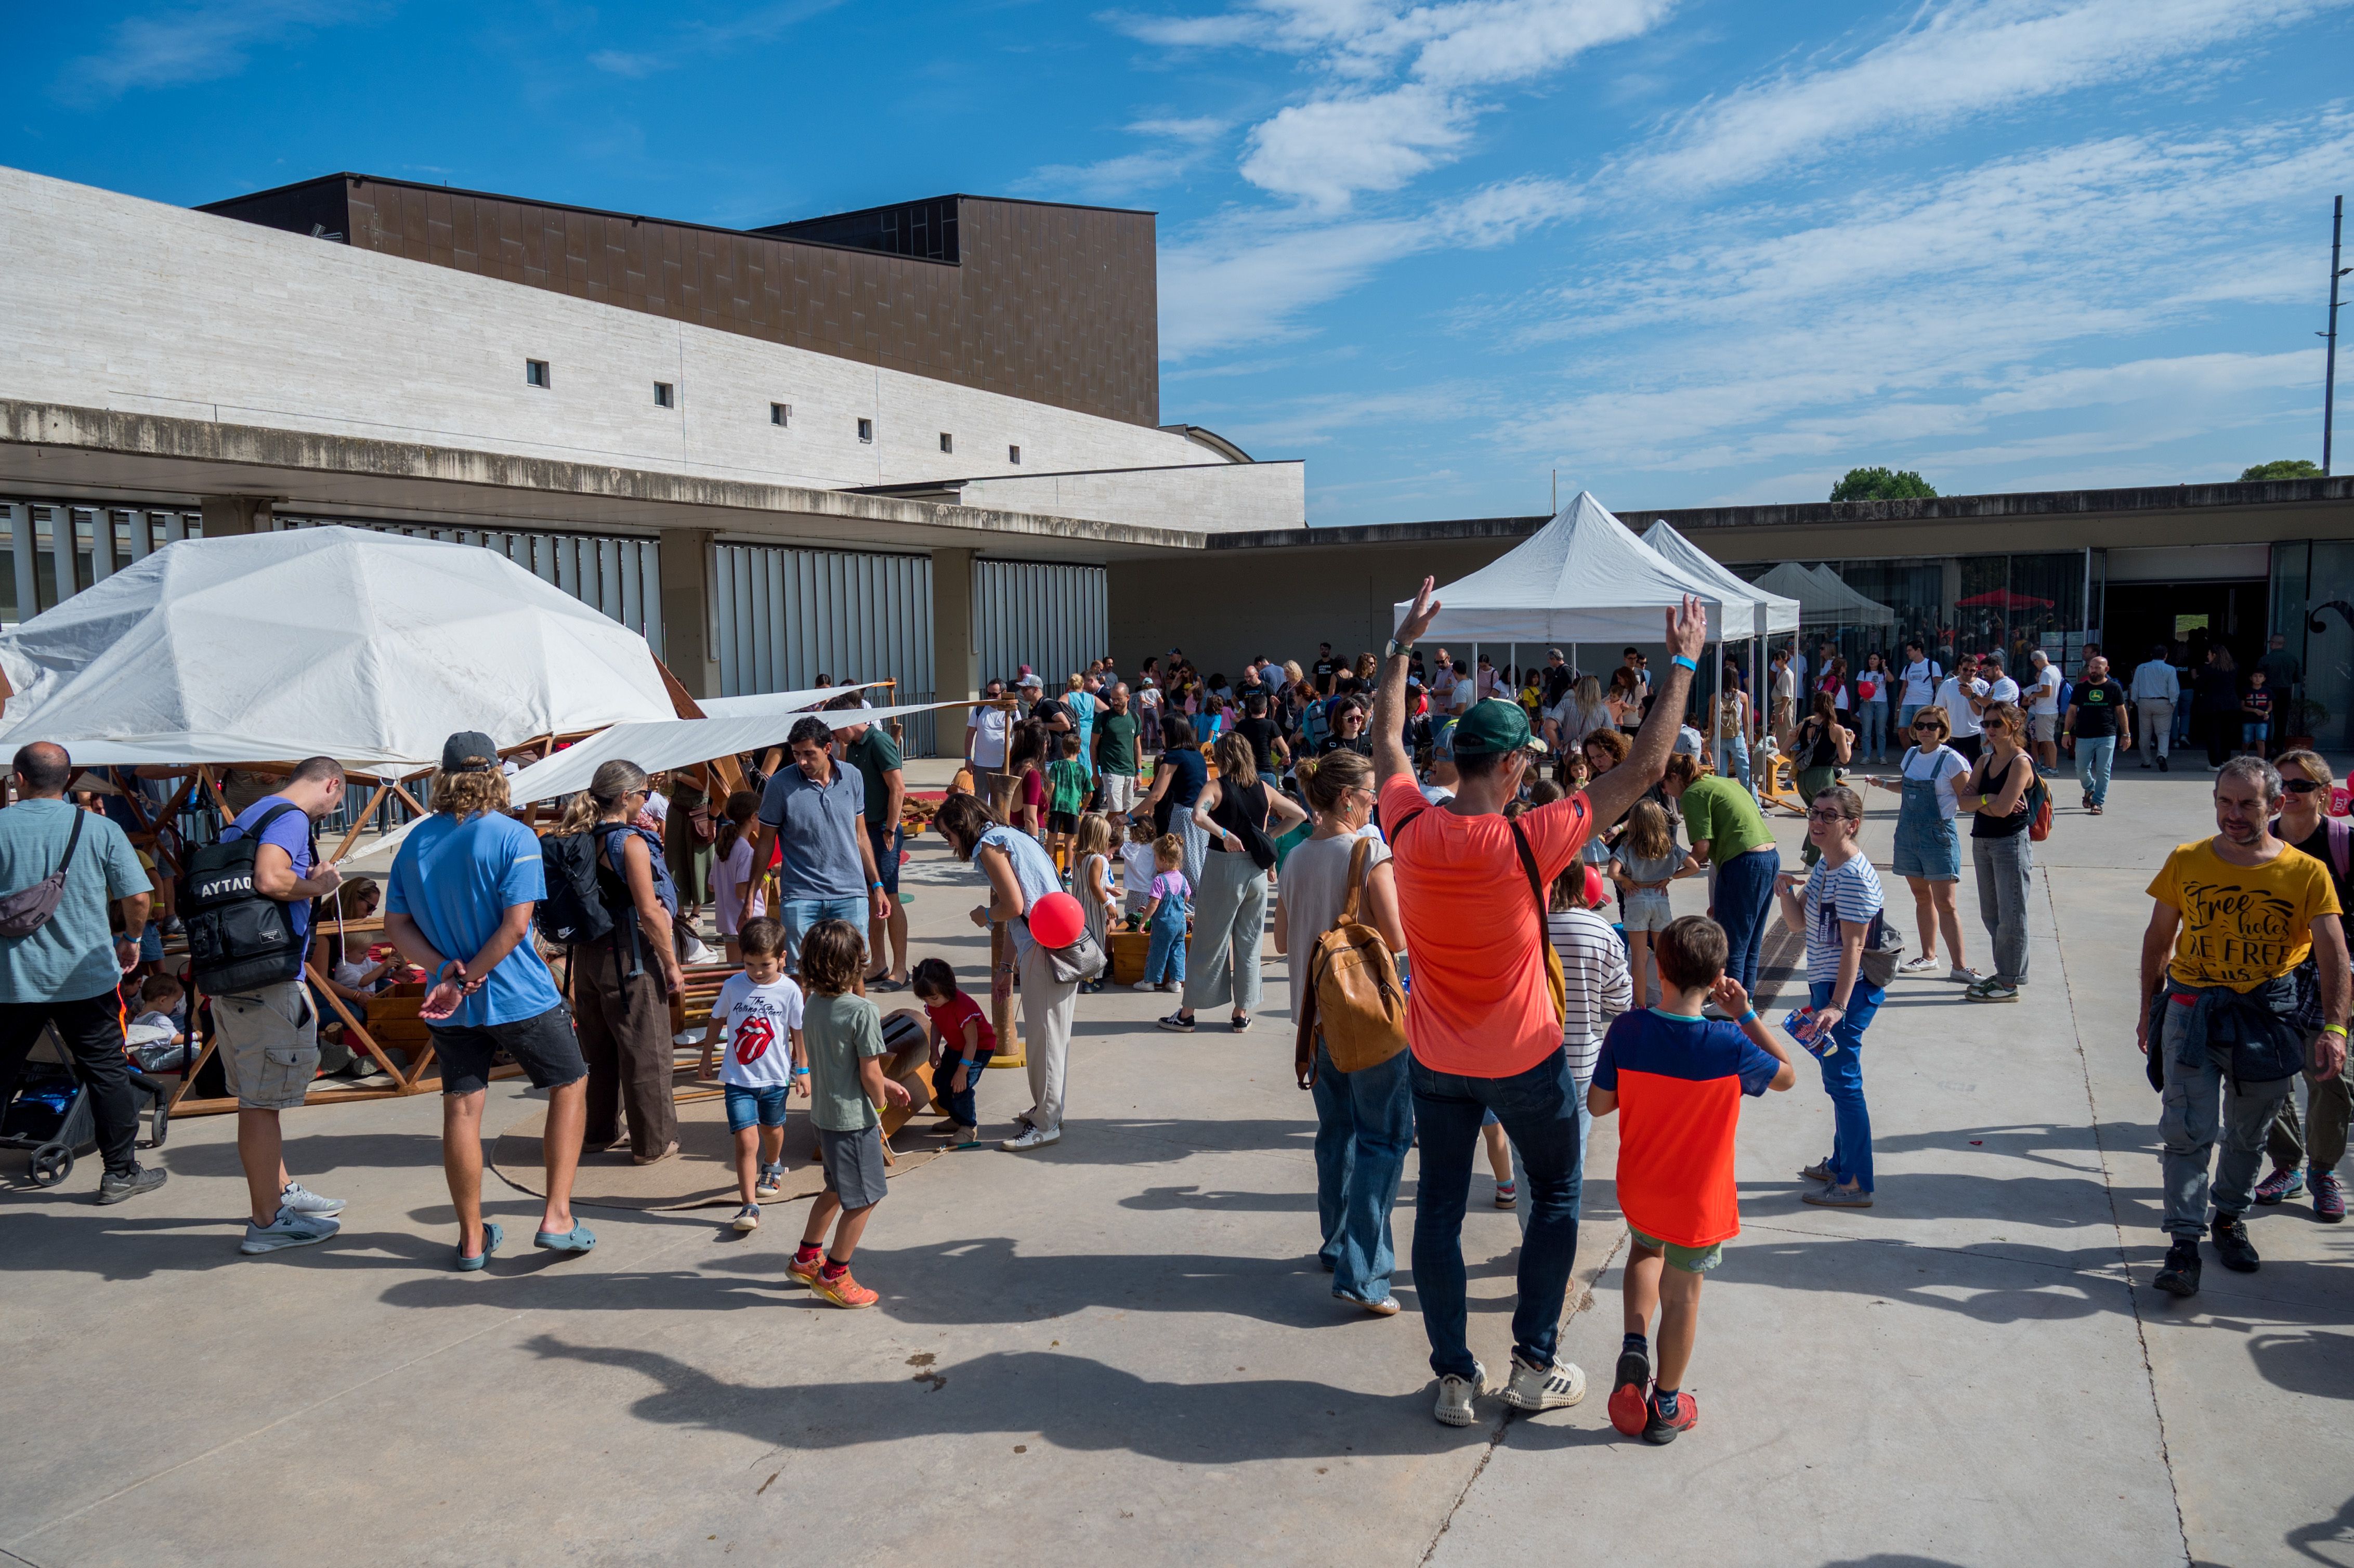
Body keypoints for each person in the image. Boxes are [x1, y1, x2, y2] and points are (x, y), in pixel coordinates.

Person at [1377, 573, 1709, 1427]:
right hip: (1523, 1056)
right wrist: (1681, 662)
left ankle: (1452, 1376)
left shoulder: (1407, 822)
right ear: (1517, 764)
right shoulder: (1529, 838)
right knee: (1555, 1196)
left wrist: (1402, 647)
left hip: (1435, 1059)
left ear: (1457, 758)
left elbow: (1384, 744)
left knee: (1439, 1211)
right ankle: (1531, 1362)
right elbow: (1641, 768)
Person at [2139, 757, 2347, 1297]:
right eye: (2224, 801)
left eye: (2247, 804)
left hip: (2267, 1015)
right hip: (2192, 1009)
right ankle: (2183, 1243)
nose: (2233, 814)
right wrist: (2147, 1009)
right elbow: (2158, 940)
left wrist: (2335, 1029)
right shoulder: (2186, 860)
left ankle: (2228, 1218)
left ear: (2276, 805)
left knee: (2248, 1133)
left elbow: (2332, 954)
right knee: (2186, 1131)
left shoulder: (2306, 872)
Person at [385, 732, 594, 1269]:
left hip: (451, 999)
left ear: (444, 776)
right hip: (515, 991)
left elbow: (397, 926)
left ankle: (473, 1237)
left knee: (462, 1107)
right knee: (570, 1084)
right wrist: (469, 976)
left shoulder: (414, 842)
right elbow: (516, 925)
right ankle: (557, 1216)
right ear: (499, 773)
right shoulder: (513, 837)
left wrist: (443, 971)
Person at [1591, 915, 1797, 1444]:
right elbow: (1786, 1076)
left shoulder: (1629, 1030)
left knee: (1643, 1253)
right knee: (1682, 1295)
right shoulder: (1727, 1044)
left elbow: (1597, 1105)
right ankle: (1666, 1404)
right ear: (1718, 977)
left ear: (1658, 966)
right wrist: (1745, 1012)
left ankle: (1634, 1343)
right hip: (1697, 1203)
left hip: (1641, 1186)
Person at [185, 757, 352, 1249]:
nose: (332, 809)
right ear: (332, 784)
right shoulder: (292, 818)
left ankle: (279, 1192)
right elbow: (271, 880)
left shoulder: (252, 813)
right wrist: (319, 885)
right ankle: (266, 1222)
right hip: (267, 983)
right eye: (337, 800)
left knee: (257, 1099)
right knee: (262, 1104)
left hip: (235, 978)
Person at [1274, 750, 1412, 1315]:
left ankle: (1337, 1244)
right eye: (1371, 792)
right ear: (1347, 798)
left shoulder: (1296, 857)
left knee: (1338, 1135)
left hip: (1316, 1018)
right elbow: (1398, 941)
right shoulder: (1369, 851)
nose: (1376, 801)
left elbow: (1283, 941)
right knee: (1383, 1138)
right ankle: (1366, 1272)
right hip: (1369, 1019)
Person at [0, 742, 166, 1205]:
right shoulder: (99, 828)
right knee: (107, 1071)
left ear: (19, 778)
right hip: (86, 977)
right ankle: (120, 1173)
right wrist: (131, 939)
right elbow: (139, 898)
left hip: (10, 979)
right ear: (69, 780)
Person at [933, 792, 1080, 1152]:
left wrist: (985, 916)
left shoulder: (990, 845)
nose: (948, 842)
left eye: (946, 835)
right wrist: (1006, 968)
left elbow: (1012, 906)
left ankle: (1046, 1123)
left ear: (961, 825)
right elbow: (1022, 910)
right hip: (1054, 943)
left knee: (1045, 1039)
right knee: (1051, 1037)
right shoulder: (1012, 835)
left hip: (1045, 950)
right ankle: (1047, 1110)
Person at [560, 760, 685, 1165]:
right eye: (645, 794)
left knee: (598, 1050)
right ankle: (653, 1143)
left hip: (589, 956)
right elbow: (649, 912)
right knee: (647, 1049)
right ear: (625, 797)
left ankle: (598, 1133)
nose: (648, 801)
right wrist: (671, 963)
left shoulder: (580, 835)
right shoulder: (628, 843)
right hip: (629, 954)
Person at [2250, 750, 2352, 1223]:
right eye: (2281, 785)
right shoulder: (2253, 842)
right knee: (2266, 1076)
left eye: (2301, 786)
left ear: (2325, 795)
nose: (2288, 794)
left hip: (2328, 975)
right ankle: (2287, 1165)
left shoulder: (2342, 843)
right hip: (2268, 975)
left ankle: (2324, 1172)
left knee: (2332, 1079)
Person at [787, 919, 910, 1309]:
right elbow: (870, 1073)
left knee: (838, 1189)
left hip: (824, 1117)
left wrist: (879, 1085)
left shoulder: (813, 1007)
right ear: (855, 965)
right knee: (865, 1198)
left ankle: (807, 1258)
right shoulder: (862, 1011)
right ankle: (834, 1274)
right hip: (854, 1123)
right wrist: (882, 1100)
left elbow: (840, 1062)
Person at [1775, 784, 1887, 1208]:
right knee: (1838, 1083)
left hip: (1849, 992)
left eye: (1829, 816)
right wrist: (1785, 891)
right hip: (1829, 987)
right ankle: (1843, 1163)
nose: (1817, 822)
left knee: (1844, 1084)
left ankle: (1855, 1183)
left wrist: (1837, 1007)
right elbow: (1799, 925)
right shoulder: (1826, 866)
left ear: (1851, 825)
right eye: (1814, 813)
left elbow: (1854, 949)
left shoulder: (1854, 876)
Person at [1161, 732, 1306, 1034]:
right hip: (1255, 871)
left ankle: (1188, 1014)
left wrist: (1224, 834)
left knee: (1209, 941)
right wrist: (1269, 838)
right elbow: (1299, 814)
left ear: (1222, 757)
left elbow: (1197, 816)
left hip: (1223, 869)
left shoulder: (1216, 786)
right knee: (1250, 942)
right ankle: (1241, 1013)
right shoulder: (1264, 789)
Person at [742, 715, 892, 976]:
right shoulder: (779, 785)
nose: (802, 762)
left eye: (809, 754)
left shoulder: (853, 777)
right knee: (800, 975)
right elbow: (765, 842)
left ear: (828, 748)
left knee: (853, 972)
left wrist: (877, 885)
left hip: (850, 895)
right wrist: (750, 896)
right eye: (796, 753)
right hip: (801, 897)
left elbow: (861, 836)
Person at [1867, 705, 1976, 983]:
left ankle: (1960, 966)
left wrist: (2000, 801)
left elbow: (1968, 800)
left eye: (1932, 726)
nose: (1926, 731)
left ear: (1943, 730)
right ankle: (1929, 957)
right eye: (1920, 726)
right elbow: (1906, 786)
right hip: (1908, 835)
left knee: (1946, 904)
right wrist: (1881, 783)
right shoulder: (1912, 755)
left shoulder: (1952, 760)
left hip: (1938, 838)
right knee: (1921, 897)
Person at [712, 916, 807, 1233]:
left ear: (782, 958)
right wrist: (704, 1057)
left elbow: (798, 1031)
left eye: (765, 965)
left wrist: (803, 1069)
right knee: (745, 1140)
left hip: (776, 1079)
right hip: (738, 1079)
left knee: (773, 1130)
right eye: (749, 964)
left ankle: (773, 1165)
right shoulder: (733, 986)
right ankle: (748, 1205)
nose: (756, 971)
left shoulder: (790, 990)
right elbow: (717, 1019)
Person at [1661, 752, 1781, 997]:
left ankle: (1728, 1001)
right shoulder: (1721, 782)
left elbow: (1702, 849)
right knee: (1751, 938)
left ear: (1674, 777)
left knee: (1731, 941)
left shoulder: (1693, 794)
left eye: (1663, 784)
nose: (1664, 791)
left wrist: (1669, 871)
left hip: (1743, 862)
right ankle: (1744, 999)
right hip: (1769, 857)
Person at [1960, 703, 2036, 1003]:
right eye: (1986, 723)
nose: (1990, 729)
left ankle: (2010, 982)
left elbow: (2005, 811)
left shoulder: (2020, 763)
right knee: (1991, 913)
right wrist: (1989, 797)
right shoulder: (1983, 761)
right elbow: (1962, 803)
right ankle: (2004, 972)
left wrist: (1982, 801)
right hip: (1983, 841)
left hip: (2010, 844)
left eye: (1997, 723)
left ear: (2014, 725)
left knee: (2012, 915)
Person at [838, 706, 909, 991]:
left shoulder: (879, 742)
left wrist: (891, 828)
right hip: (864, 830)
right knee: (873, 899)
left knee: (889, 896)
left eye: (834, 728)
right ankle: (878, 963)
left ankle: (900, 969)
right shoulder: (852, 746)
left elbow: (898, 788)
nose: (833, 736)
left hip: (882, 830)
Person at [1610, 798, 1688, 1009]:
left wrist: (1625, 880)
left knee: (1639, 958)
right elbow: (1694, 867)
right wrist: (1670, 877)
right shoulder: (1668, 844)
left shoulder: (1628, 846)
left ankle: (1640, 1005)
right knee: (1663, 957)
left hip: (1636, 899)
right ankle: (1668, 1002)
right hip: (1660, 897)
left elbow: (1612, 872)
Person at [913, 956, 995, 1146]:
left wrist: (962, 1071)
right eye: (925, 999)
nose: (930, 1003)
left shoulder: (963, 1007)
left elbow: (972, 1042)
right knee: (941, 1082)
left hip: (977, 1050)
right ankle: (957, 1118)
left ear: (947, 988)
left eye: (934, 998)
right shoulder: (936, 1004)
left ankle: (968, 1125)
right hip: (957, 1047)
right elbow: (936, 1024)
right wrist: (934, 1050)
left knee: (961, 1086)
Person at [2063, 655, 2131, 816]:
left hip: (2107, 734)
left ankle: (2098, 802)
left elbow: (2121, 712)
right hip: (2084, 735)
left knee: (2104, 770)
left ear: (2106, 669)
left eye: (2097, 668)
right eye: (2091, 667)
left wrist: (2126, 734)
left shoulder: (2114, 688)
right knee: (2081, 769)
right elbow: (2072, 711)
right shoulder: (2080, 688)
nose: (2093, 671)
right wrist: (2066, 732)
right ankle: (2090, 788)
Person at [709, 790, 765, 964]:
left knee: (734, 972)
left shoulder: (724, 847)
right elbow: (742, 892)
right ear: (753, 817)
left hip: (728, 922)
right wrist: (769, 875)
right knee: (753, 972)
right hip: (747, 923)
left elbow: (711, 886)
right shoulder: (745, 851)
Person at [1135, 834, 1191, 992]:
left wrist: (1143, 921)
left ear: (1164, 860)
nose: (1155, 862)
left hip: (1164, 924)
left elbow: (1154, 903)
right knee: (1178, 951)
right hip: (1180, 924)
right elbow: (1186, 897)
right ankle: (1176, 982)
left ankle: (1150, 981)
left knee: (1157, 951)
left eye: (1156, 858)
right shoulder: (1183, 879)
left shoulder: (1160, 881)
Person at [1072, 812, 1120, 996]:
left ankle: (1084, 977)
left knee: (1083, 944)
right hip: (1093, 910)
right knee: (1096, 943)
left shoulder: (1078, 856)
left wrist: (1107, 888)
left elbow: (1089, 881)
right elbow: (1093, 885)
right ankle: (1091, 981)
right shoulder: (1097, 860)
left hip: (1079, 908)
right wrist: (1108, 903)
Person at [966, 679, 1014, 818]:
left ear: (1004, 693)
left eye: (994, 694)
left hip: (1003, 765)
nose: (991, 698)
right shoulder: (980, 709)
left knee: (1000, 801)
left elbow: (1019, 735)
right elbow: (969, 734)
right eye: (988, 694)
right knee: (980, 800)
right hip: (982, 764)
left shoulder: (1012, 711)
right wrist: (968, 758)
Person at [1094, 683, 1142, 818]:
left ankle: (1117, 839)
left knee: (1124, 812)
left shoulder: (1134, 718)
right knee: (1115, 810)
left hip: (1129, 771)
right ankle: (1100, 836)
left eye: (1118, 699)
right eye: (1112, 699)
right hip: (1111, 771)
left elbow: (1137, 746)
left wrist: (1139, 772)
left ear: (1127, 698)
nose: (1114, 702)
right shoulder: (1103, 718)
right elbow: (1093, 746)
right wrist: (1095, 773)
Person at [1044, 733, 1090, 869]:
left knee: (1052, 838)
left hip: (1057, 806)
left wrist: (1047, 806)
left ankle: (1050, 868)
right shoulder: (1083, 770)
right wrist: (1083, 809)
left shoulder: (1056, 765)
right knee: (1070, 840)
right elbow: (1090, 794)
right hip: (1073, 808)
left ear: (1063, 750)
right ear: (1080, 751)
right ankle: (1067, 870)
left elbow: (1051, 787)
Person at [1932, 653, 1987, 763]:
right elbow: (1939, 710)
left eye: (1972, 671)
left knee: (1976, 767)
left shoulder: (1983, 686)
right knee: (1950, 767)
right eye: (1965, 669)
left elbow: (1979, 713)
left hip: (1975, 733)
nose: (1968, 673)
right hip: (1952, 734)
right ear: (1959, 668)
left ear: (1976, 671)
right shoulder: (1948, 684)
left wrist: (1970, 696)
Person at [2193, 644, 2240, 770]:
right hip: (2231, 705)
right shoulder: (2234, 668)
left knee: (2213, 735)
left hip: (2212, 706)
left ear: (2214, 655)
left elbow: (2199, 686)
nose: (2208, 656)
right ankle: (2225, 761)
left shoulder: (2207, 669)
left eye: (2209, 654)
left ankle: (2215, 763)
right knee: (2227, 735)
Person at [1895, 640, 1941, 746]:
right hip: (1907, 703)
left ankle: (1924, 754)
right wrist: (1899, 708)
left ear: (1918, 650)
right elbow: (1904, 688)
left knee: (1922, 731)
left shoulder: (1932, 665)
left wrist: (1938, 706)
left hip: (1924, 702)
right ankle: (1910, 756)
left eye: (1910, 650)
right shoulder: (1908, 668)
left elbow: (1939, 686)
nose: (1908, 653)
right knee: (1902, 731)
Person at [2027, 649, 2064, 767]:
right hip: (2050, 710)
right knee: (2046, 741)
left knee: (2048, 742)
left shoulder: (2046, 673)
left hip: (2045, 711)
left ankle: (2052, 768)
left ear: (2036, 661)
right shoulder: (2055, 670)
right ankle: (2048, 766)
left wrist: (2034, 694)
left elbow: (2047, 692)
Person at [1856, 651, 1891, 765]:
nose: (1872, 661)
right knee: (1866, 731)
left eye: (1875, 659)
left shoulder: (1883, 674)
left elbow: (1891, 679)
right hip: (1867, 703)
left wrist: (1885, 667)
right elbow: (1860, 688)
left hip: (1881, 703)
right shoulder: (1863, 673)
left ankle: (1882, 756)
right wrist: (1864, 696)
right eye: (1871, 658)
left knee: (1881, 731)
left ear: (1880, 661)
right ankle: (1866, 756)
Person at [2239, 668, 2275, 761]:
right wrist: (2255, 710)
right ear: (2251, 678)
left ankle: (2261, 761)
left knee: (2261, 741)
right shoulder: (2246, 690)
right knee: (2247, 741)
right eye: (2255, 676)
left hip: (2262, 720)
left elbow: (2270, 706)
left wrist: (2266, 713)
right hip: (2248, 720)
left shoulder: (2268, 691)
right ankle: (2243, 756)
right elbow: (2242, 707)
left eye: (2260, 676)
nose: (2258, 678)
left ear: (2264, 679)